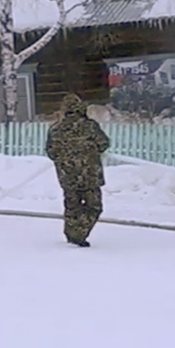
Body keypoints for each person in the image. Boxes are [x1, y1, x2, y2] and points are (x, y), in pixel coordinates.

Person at [46, 93, 110, 247]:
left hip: (67, 177)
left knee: (72, 207)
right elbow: (103, 143)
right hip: (90, 175)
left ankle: (71, 235)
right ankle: (79, 234)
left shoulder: (55, 129)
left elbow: (51, 152)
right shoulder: (90, 126)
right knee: (94, 207)